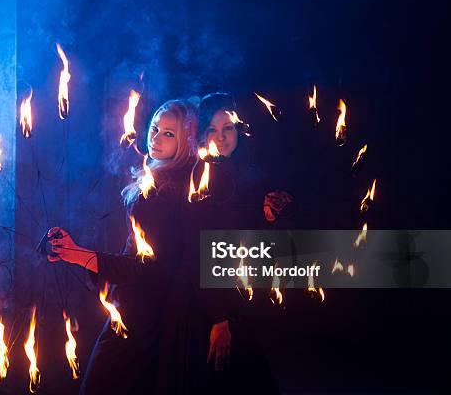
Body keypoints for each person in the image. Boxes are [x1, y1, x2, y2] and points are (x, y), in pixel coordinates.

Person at [45, 99, 198, 394]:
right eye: (155, 129)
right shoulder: (164, 181)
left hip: (142, 313)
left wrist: (77, 255)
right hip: (145, 308)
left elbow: (145, 268)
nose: (155, 139)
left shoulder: (164, 194)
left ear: (186, 140)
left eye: (169, 134)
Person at [157, 92, 288, 393]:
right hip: (202, 306)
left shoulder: (242, 173)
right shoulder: (200, 177)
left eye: (227, 128)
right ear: (202, 134)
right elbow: (197, 251)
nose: (221, 137)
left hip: (234, 301)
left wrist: (267, 215)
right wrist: (218, 319)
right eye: (212, 130)